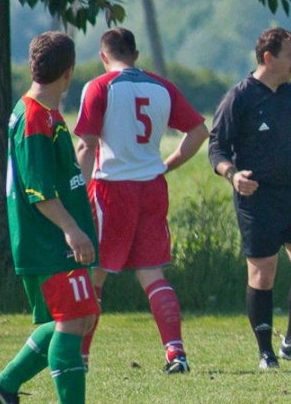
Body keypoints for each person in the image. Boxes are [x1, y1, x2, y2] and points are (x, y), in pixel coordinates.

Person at [0, 32, 98, 404]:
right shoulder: (34, 117)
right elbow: (37, 190)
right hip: (47, 239)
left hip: (49, 237)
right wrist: (71, 229)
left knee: (80, 316)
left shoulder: (42, 111)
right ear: (69, 72)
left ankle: (5, 386)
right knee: (74, 319)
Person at [75, 28, 209, 374]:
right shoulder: (161, 86)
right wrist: (168, 164)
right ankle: (176, 353)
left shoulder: (99, 87)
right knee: (152, 273)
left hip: (110, 187)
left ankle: (80, 357)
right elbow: (198, 132)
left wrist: (76, 191)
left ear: (103, 56)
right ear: (135, 54)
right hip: (151, 187)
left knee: (95, 273)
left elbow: (87, 144)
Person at [209, 27, 291, 369]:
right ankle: (265, 352)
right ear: (269, 57)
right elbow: (216, 147)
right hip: (258, 198)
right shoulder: (239, 97)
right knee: (263, 274)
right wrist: (233, 175)